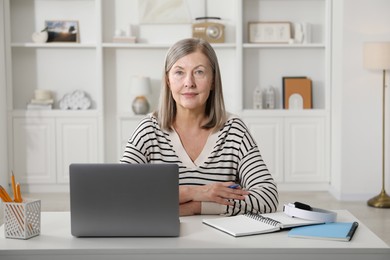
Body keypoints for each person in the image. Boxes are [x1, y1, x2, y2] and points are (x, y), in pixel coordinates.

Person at [120, 38, 278, 216]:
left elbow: (267, 197)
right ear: (167, 81)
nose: (189, 82)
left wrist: (195, 207)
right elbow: (121, 193)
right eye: (179, 72)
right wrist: (197, 192)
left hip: (220, 240)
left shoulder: (234, 130)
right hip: (164, 241)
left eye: (199, 72)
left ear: (213, 81)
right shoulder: (149, 129)